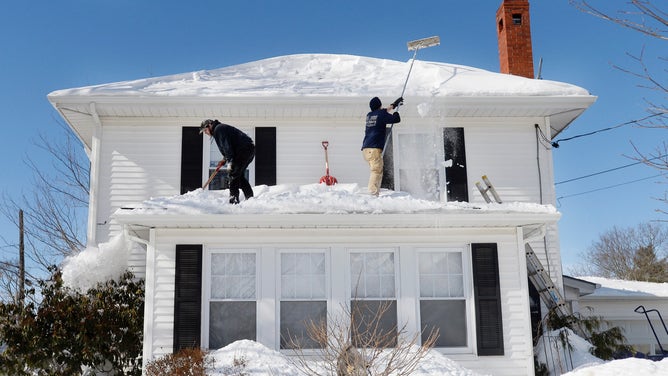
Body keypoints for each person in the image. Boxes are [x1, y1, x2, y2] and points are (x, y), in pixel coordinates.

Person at [200, 119, 255, 204]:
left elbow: (227, 146)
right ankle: (250, 198)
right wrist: (224, 159)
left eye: (205, 130)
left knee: (233, 173)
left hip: (243, 150)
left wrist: (230, 162)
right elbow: (228, 147)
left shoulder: (218, 129)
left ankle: (233, 200)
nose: (205, 133)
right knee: (238, 175)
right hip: (247, 150)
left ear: (209, 126)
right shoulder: (219, 129)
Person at [361, 96, 402, 196]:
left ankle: (376, 191)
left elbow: (383, 112)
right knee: (376, 171)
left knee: (377, 170)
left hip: (366, 149)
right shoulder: (381, 114)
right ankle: (372, 194)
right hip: (374, 149)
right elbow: (396, 119)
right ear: (380, 105)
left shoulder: (370, 115)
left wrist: (394, 105)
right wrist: (396, 112)